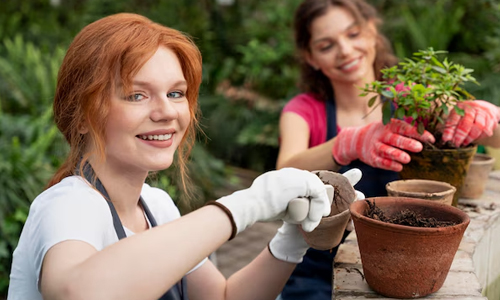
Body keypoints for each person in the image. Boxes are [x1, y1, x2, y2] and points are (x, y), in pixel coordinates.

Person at [7, 13, 365, 300]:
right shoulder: (68, 204)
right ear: (83, 115)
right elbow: (78, 292)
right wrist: (246, 204)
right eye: (136, 95)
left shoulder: (156, 205)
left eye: (176, 93)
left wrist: (292, 239)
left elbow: (222, 297)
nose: (167, 112)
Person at [276, 0, 500, 299]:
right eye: (326, 45)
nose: (344, 50)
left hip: (406, 260)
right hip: (316, 271)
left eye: (353, 34)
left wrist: (487, 116)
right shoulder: (304, 110)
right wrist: (345, 144)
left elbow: (489, 133)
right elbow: (282, 173)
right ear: (310, 57)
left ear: (371, 32)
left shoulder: (411, 98)